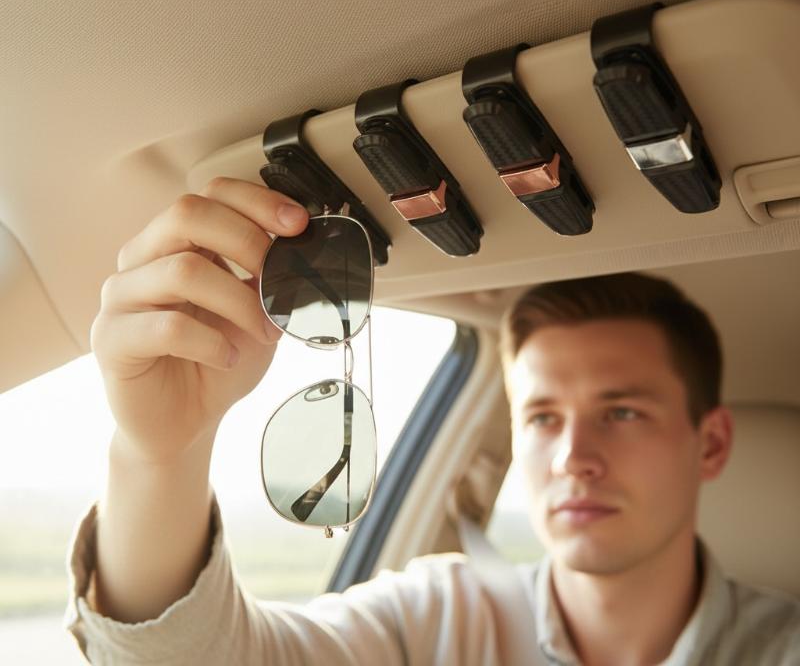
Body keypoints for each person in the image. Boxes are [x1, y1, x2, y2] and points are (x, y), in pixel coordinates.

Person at [64, 177, 800, 665]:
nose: (574, 456)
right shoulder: (438, 621)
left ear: (710, 444)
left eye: (623, 411)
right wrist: (161, 456)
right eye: (543, 417)